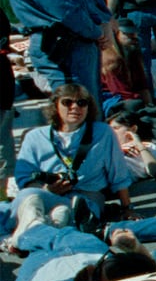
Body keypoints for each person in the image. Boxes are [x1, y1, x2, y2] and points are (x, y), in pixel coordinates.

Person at [9, 84, 132, 249]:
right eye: (67, 102)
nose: (75, 107)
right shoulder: (35, 137)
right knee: (30, 196)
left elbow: (119, 174)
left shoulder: (103, 132)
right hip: (45, 195)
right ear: (55, 106)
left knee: (62, 213)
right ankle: (28, 239)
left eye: (82, 103)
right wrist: (47, 189)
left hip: (86, 197)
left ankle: (27, 239)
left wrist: (127, 208)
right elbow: (23, 177)